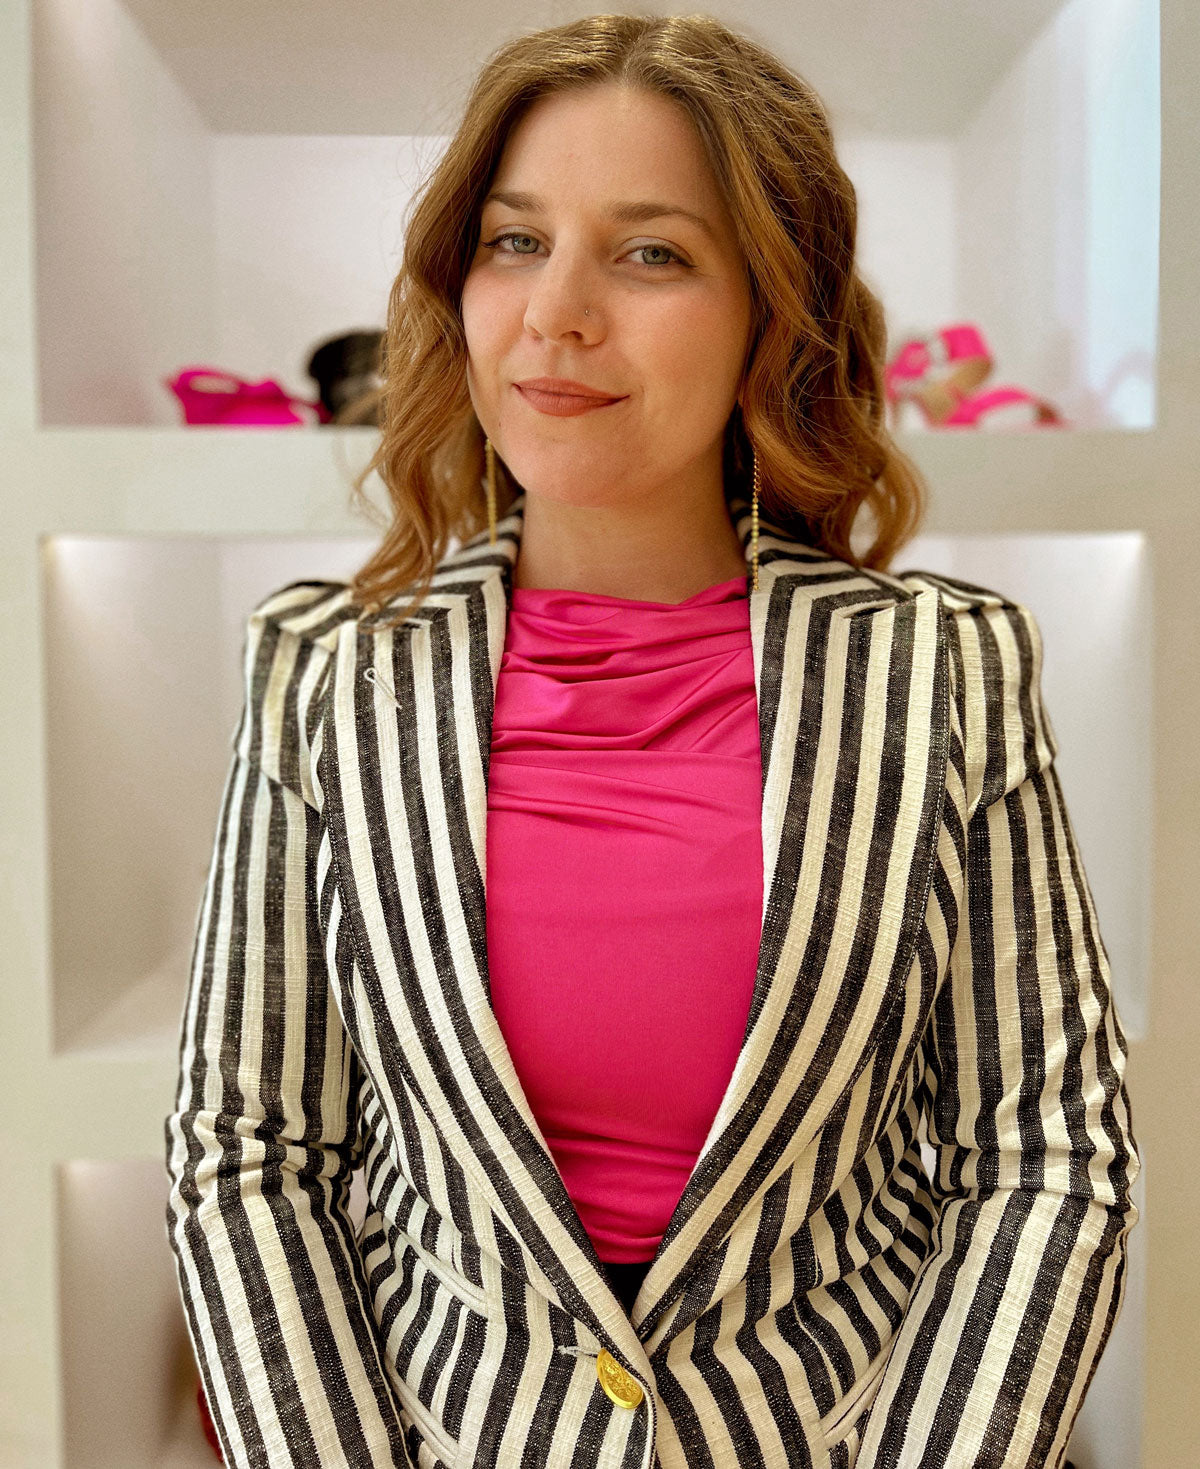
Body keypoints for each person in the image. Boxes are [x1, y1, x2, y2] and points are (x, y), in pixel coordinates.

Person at [163, 14, 1141, 1469]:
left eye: (650, 254)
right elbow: (248, 1154)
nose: (556, 311)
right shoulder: (325, 675)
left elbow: (1047, 1150)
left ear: (772, 315)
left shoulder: (945, 671)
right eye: (514, 242)